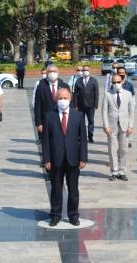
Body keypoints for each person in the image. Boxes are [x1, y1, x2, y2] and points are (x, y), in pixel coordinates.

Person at [42, 87, 88, 226]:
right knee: (56, 188)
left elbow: (83, 139)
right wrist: (47, 159)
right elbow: (45, 140)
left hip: (73, 158)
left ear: (70, 98)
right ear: (56, 100)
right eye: (60, 98)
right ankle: (55, 214)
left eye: (65, 98)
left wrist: (83, 158)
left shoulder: (78, 116)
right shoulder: (49, 116)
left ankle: (73, 214)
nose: (62, 100)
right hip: (56, 159)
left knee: (73, 189)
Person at [102, 74, 135, 181]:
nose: (116, 84)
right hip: (112, 126)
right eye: (114, 82)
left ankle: (122, 171)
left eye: (118, 82)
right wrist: (106, 126)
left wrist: (131, 125)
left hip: (125, 126)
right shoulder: (107, 94)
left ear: (122, 81)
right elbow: (104, 111)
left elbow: (131, 112)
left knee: (124, 150)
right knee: (112, 149)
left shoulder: (128, 94)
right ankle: (114, 171)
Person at [34, 65, 69, 146]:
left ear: (58, 73)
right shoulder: (41, 87)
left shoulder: (64, 85)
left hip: (61, 119)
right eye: (50, 71)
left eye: (54, 71)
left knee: (60, 144)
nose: (52, 73)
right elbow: (37, 107)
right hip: (46, 121)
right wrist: (38, 124)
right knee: (47, 145)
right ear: (46, 73)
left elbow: (70, 104)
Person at [73, 65, 99, 144]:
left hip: (91, 105)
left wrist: (96, 104)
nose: (85, 71)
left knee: (91, 121)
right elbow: (75, 94)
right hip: (81, 105)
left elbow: (96, 93)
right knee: (81, 122)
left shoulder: (94, 80)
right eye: (84, 70)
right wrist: (75, 105)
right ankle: (81, 136)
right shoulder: (78, 81)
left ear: (89, 71)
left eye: (87, 70)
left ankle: (90, 136)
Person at [117, 67, 136, 148]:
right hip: (117, 110)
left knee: (128, 126)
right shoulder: (114, 85)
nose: (121, 74)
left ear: (125, 74)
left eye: (123, 72)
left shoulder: (129, 85)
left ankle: (128, 141)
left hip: (127, 110)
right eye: (119, 72)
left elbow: (133, 98)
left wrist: (132, 108)